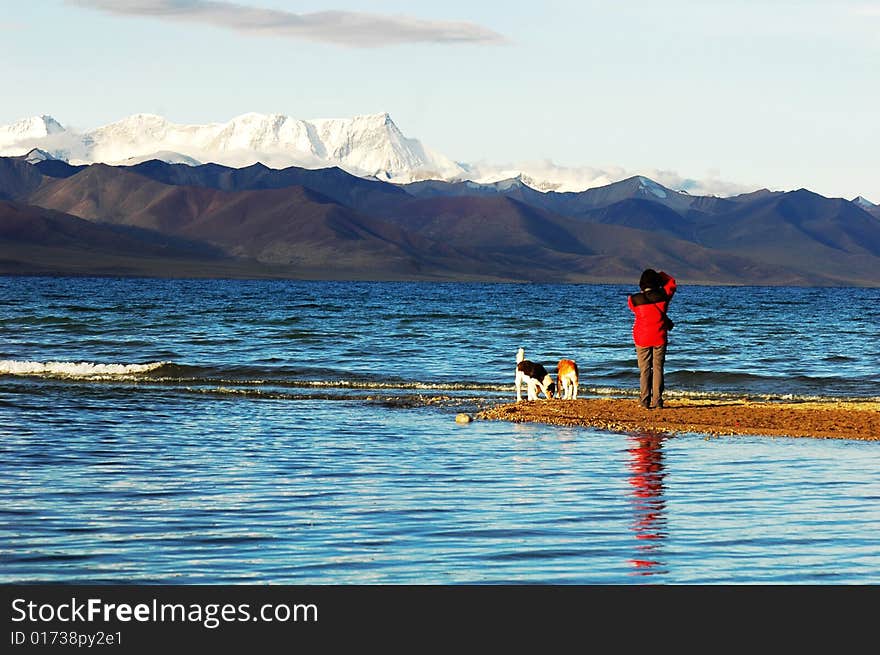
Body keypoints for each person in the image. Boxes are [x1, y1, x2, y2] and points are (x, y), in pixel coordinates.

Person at [627, 269, 676, 409]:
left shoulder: (633, 299)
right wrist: (660, 275)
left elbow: (634, 309)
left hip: (641, 337)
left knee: (644, 370)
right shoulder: (664, 295)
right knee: (658, 368)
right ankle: (657, 401)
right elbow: (672, 282)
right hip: (659, 336)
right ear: (656, 282)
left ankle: (644, 401)